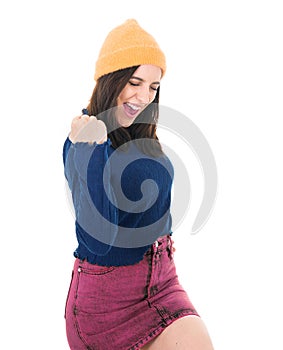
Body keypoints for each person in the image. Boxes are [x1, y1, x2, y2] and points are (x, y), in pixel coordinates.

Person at [63, 19, 214, 350]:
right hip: (105, 302)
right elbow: (99, 239)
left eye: (153, 86)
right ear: (111, 78)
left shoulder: (141, 135)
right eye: (134, 82)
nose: (144, 96)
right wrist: (92, 149)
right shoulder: (82, 141)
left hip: (163, 281)